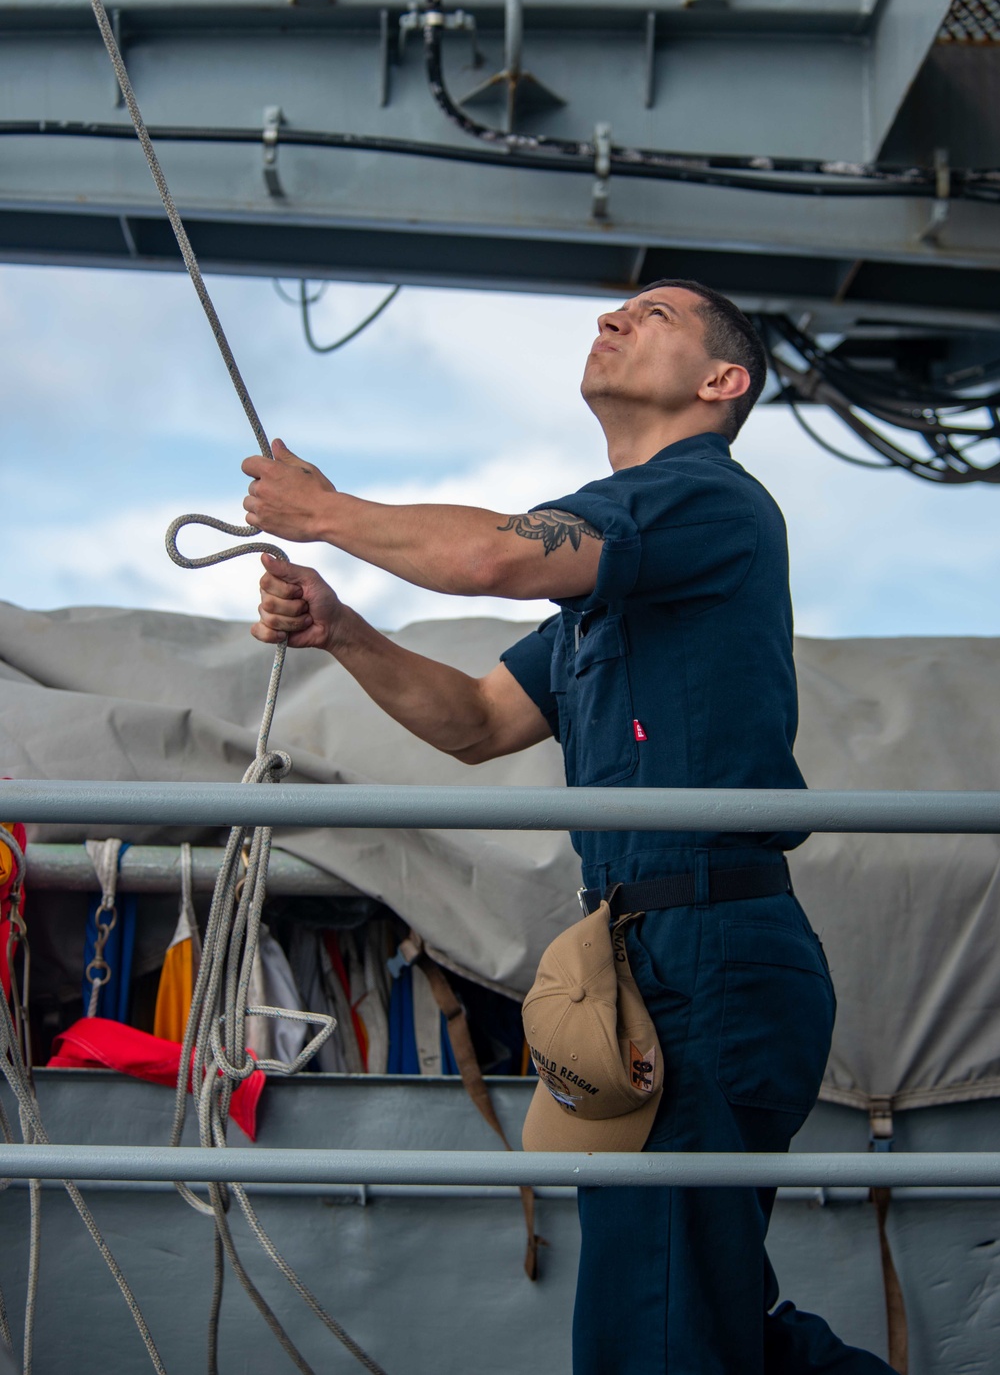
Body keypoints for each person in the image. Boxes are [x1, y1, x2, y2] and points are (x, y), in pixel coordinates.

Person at [242, 279, 892, 1375]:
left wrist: (326, 514)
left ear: (719, 382)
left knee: (663, 1320)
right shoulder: (616, 581)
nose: (610, 318)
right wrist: (343, 631)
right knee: (689, 1309)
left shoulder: (703, 499)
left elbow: (492, 557)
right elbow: (479, 722)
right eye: (612, 312)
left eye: (654, 314)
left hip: (710, 948)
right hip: (648, 959)